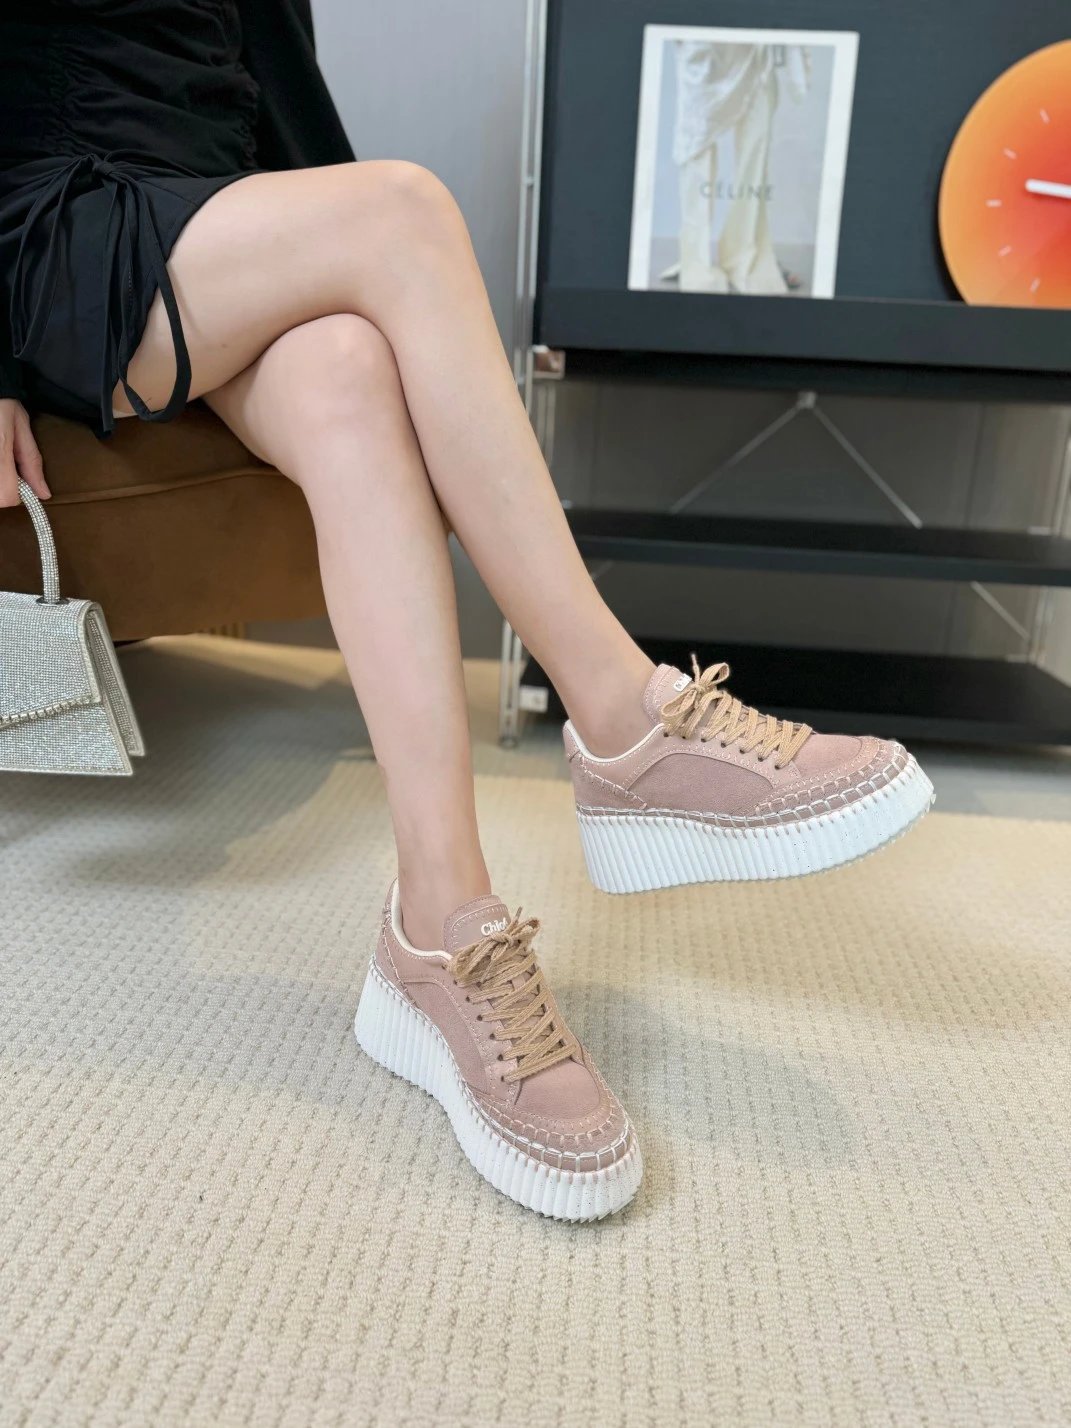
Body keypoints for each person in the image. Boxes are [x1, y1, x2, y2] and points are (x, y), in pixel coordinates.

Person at [0, 1, 933, 1221]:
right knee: (403, 209)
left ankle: (441, 927)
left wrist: (362, 286)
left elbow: (270, 88)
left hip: (221, 228)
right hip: (59, 222)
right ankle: (626, 719)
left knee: (350, 368)